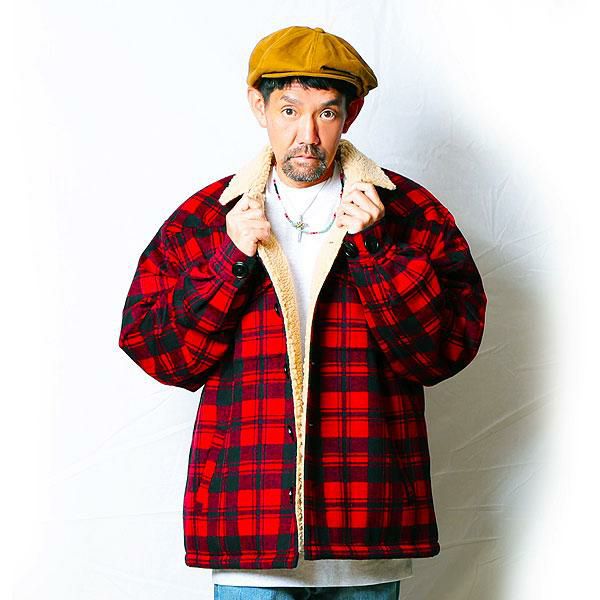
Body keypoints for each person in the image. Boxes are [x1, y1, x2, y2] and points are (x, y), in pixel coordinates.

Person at [118, 25, 487, 600]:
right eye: (289, 110)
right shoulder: (209, 217)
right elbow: (158, 351)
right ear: (258, 107)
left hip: (367, 526)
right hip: (249, 533)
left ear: (351, 115)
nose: (307, 135)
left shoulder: (408, 213)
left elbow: (441, 353)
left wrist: (378, 250)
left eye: (327, 113)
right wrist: (228, 259)